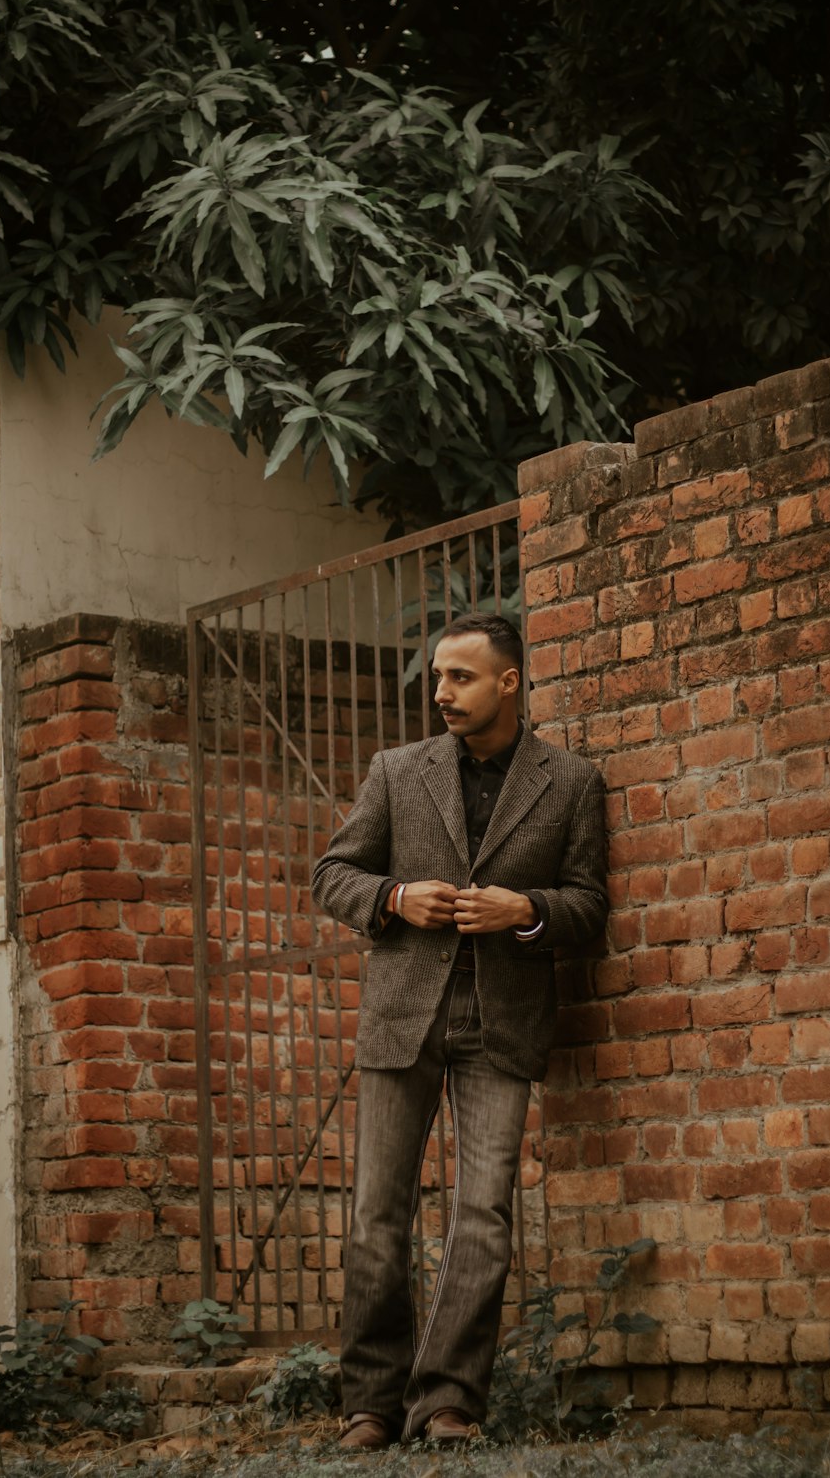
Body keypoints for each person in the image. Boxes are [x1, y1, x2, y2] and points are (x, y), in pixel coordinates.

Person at [310, 611, 607, 1448]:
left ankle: (447, 1404)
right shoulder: (397, 771)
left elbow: (589, 902)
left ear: (509, 682)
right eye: (438, 676)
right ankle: (369, 1405)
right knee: (378, 1213)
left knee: (483, 1215)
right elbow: (332, 873)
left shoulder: (573, 782)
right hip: (403, 1013)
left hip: (503, 1019)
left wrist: (529, 910)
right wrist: (394, 898)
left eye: (461, 677)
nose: (441, 692)